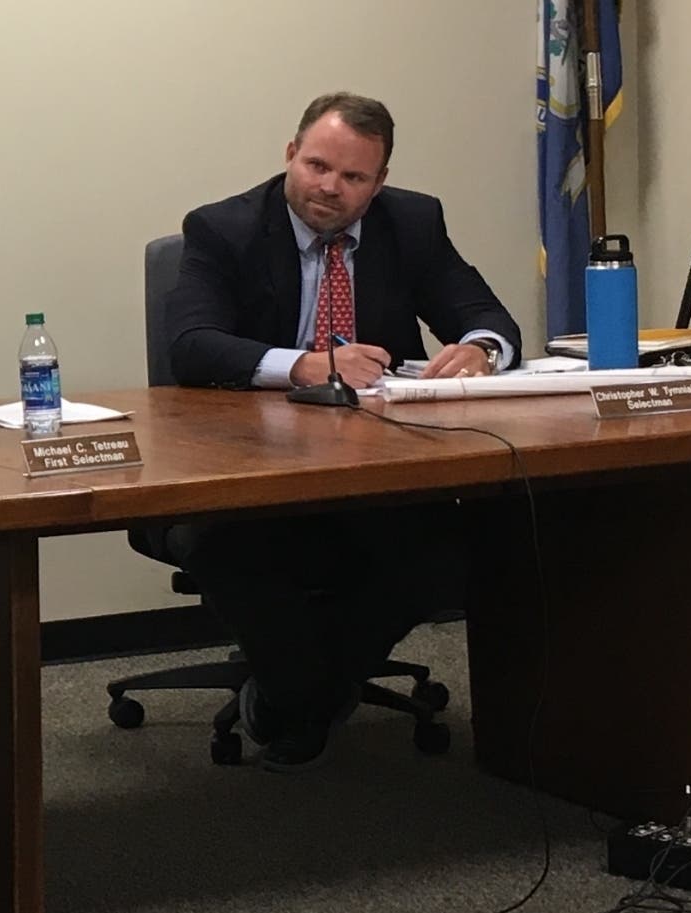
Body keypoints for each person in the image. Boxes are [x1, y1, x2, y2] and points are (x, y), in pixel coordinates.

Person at [164, 92, 522, 771]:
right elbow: (192, 343)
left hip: (375, 467)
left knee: (447, 553)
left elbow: (490, 319)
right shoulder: (224, 228)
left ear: (378, 183)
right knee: (228, 550)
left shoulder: (413, 223)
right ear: (290, 154)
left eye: (353, 177)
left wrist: (479, 349)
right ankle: (303, 695)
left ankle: (290, 698)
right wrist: (307, 364)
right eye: (318, 165)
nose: (330, 187)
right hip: (249, 467)